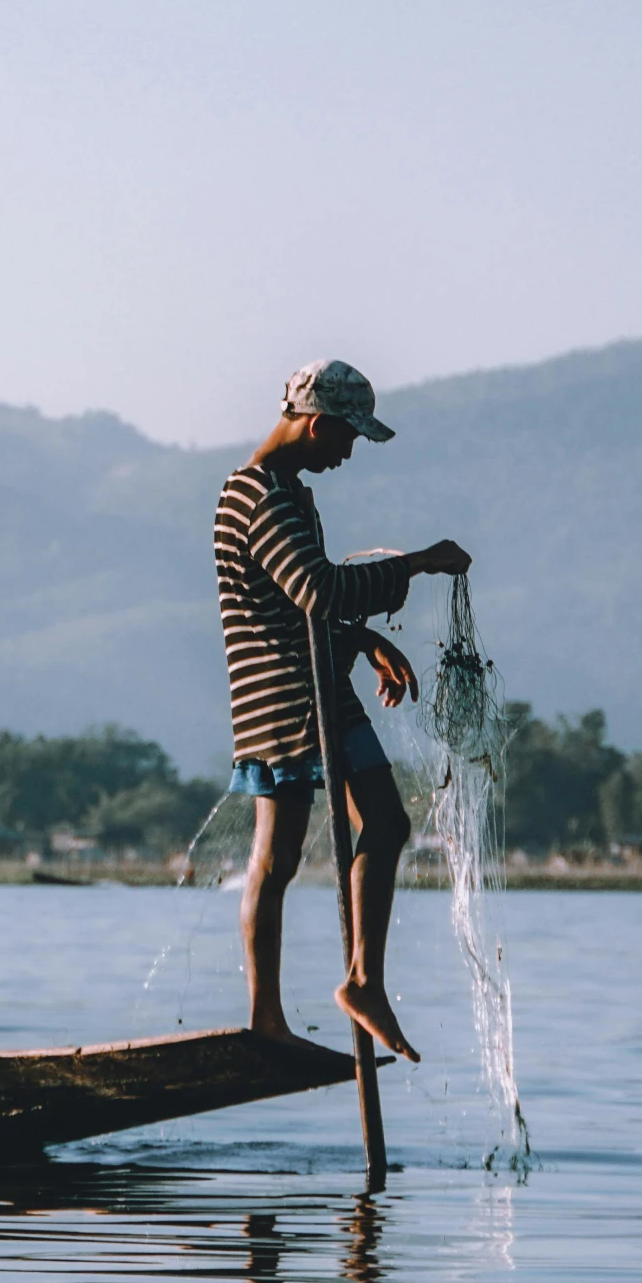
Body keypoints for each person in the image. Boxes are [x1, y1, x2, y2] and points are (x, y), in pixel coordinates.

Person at [212, 359, 470, 1060]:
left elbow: (302, 605)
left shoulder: (286, 492)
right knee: (279, 857)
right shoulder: (256, 496)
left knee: (381, 823)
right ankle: (268, 1014)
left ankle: (362, 980)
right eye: (346, 438)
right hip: (284, 698)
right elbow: (318, 591)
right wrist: (415, 564)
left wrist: (360, 641)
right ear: (317, 422)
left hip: (319, 683)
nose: (347, 453)